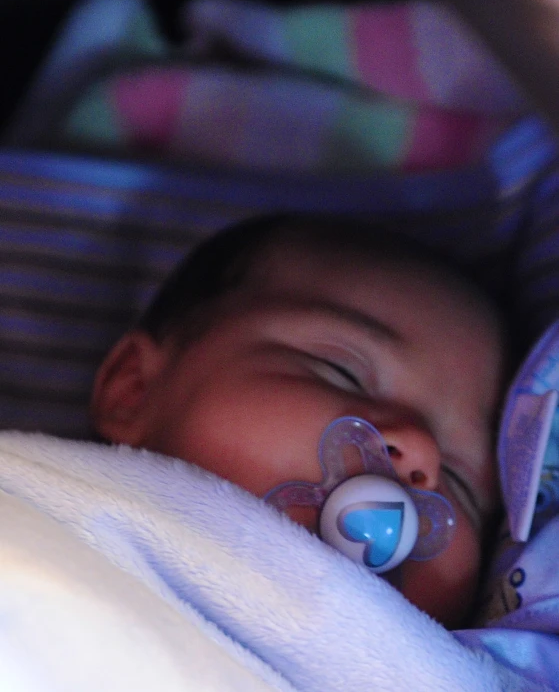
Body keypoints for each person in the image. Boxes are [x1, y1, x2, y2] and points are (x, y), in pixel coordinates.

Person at [91, 212, 507, 630]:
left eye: (462, 481)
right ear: (134, 390)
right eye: (342, 373)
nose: (420, 450)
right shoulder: (40, 512)